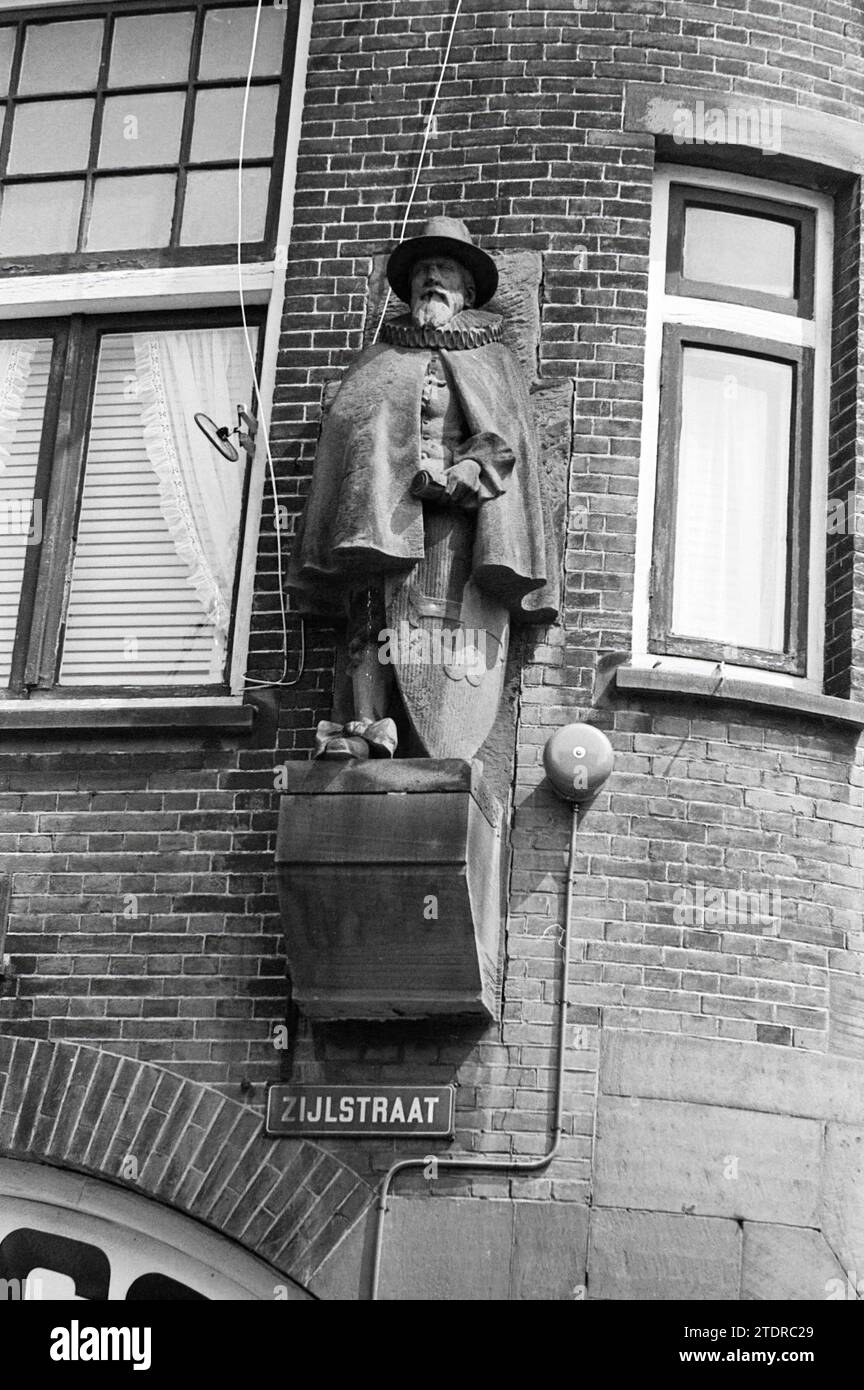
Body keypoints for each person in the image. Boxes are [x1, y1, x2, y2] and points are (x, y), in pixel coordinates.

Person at [287, 216, 557, 760]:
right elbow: (351, 430)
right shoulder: (379, 358)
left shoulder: (493, 361)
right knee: (369, 613)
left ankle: (437, 734)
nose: (432, 279)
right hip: (382, 513)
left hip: (454, 523)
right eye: (423, 272)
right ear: (409, 287)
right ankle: (362, 725)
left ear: (467, 289)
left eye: (445, 270)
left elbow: (508, 440)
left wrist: (470, 469)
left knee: (439, 625)